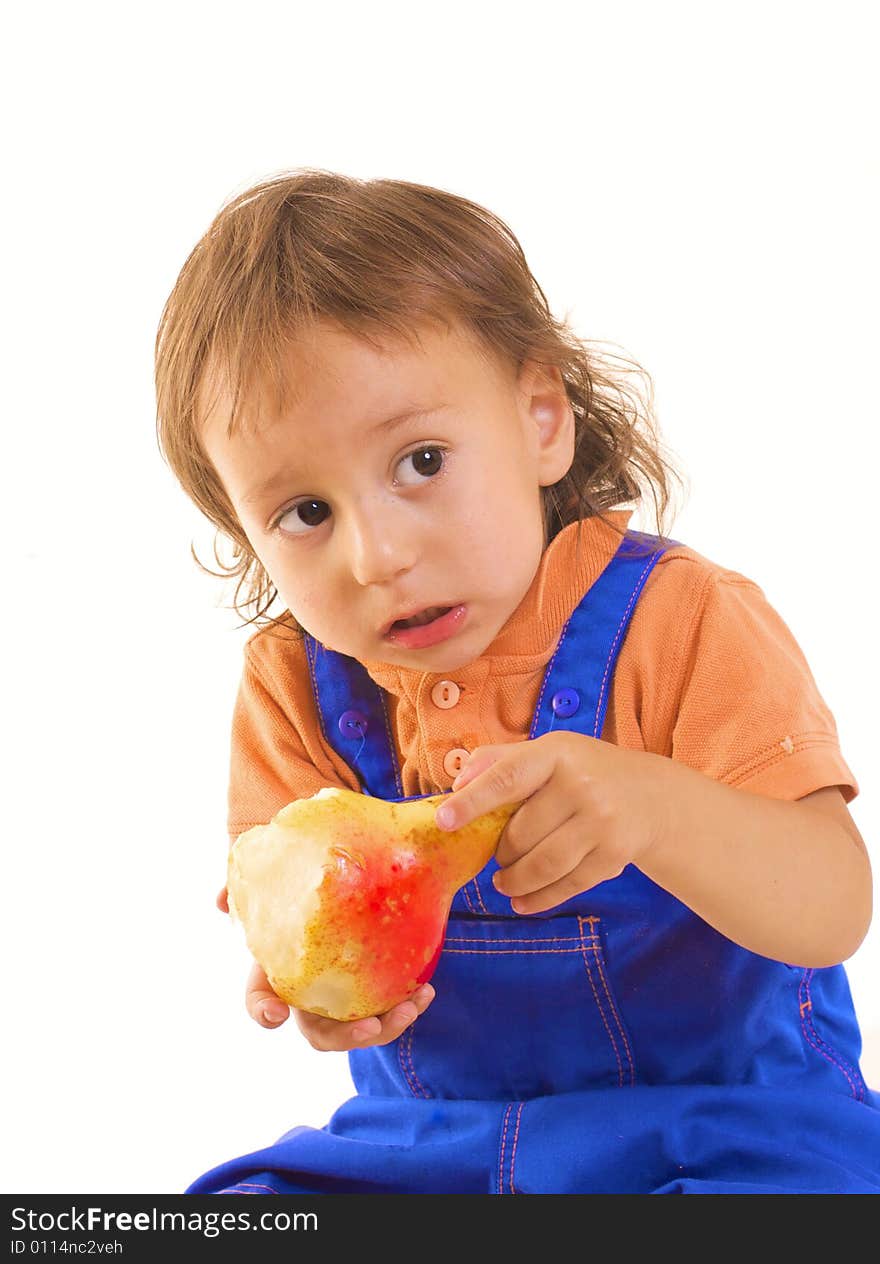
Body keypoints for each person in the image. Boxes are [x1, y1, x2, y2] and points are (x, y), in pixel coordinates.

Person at [154, 168, 880, 1194]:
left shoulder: (682, 620)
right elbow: (290, 928)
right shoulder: (293, 686)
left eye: (419, 461)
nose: (375, 555)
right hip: (428, 1144)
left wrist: (655, 810)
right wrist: (318, 993)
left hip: (724, 1130)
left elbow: (833, 903)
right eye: (304, 514)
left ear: (542, 419)